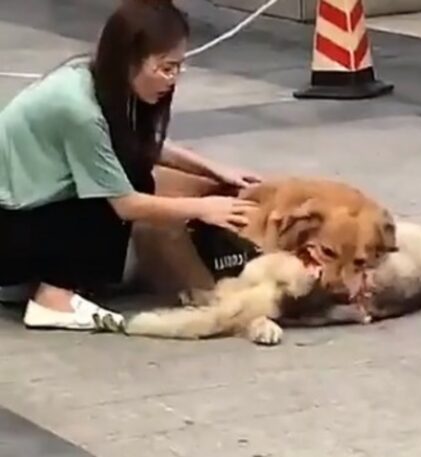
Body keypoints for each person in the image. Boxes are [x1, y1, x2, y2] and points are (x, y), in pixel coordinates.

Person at [0, 0, 263, 331]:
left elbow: (137, 143)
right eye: (166, 68)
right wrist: (202, 207)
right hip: (9, 228)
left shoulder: (96, 79)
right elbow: (125, 205)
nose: (173, 79)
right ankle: (53, 299)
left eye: (180, 67)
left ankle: (37, 280)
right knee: (127, 185)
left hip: (22, 217)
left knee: (131, 169)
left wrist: (213, 169)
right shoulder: (77, 108)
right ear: (129, 60)